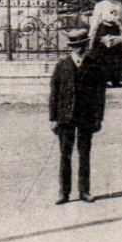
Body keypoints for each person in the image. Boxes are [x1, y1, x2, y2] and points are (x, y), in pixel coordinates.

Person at [49, 29, 107, 204]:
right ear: (70, 48)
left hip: (86, 116)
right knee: (65, 155)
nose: (79, 49)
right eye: (75, 46)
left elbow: (99, 94)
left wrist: (98, 117)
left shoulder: (94, 65)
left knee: (84, 154)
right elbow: (54, 93)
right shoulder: (62, 65)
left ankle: (84, 191)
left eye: (81, 46)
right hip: (65, 116)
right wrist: (53, 118)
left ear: (86, 46)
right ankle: (64, 193)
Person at [87, 0, 122, 88]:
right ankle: (104, 79)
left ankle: (117, 78)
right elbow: (95, 21)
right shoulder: (100, 5)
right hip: (103, 30)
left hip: (114, 30)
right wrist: (91, 35)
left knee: (116, 55)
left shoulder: (118, 5)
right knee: (104, 55)